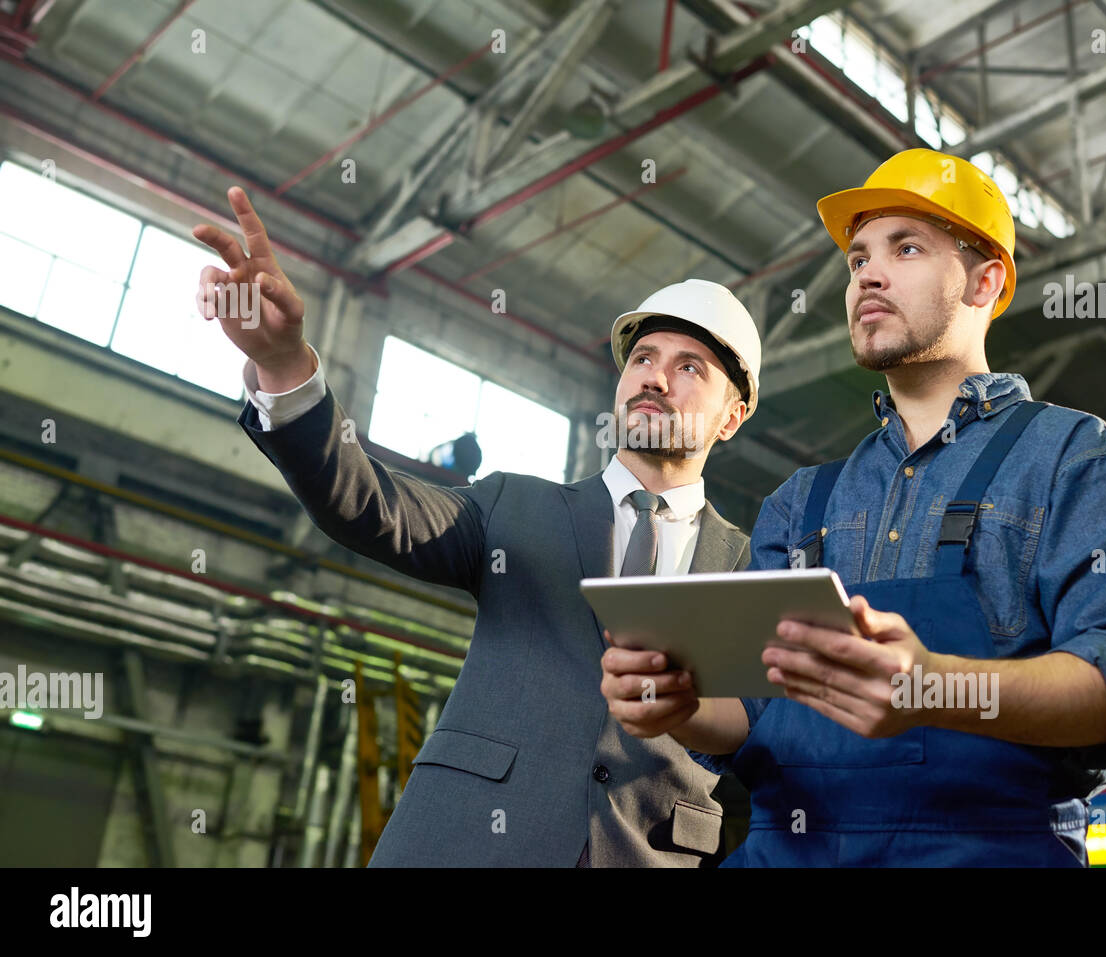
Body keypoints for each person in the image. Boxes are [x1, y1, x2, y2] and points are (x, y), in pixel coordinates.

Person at [600, 148, 1106, 867]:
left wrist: (933, 685)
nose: (867, 275)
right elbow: (751, 715)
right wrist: (682, 707)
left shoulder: (1073, 458)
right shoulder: (802, 503)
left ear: (986, 279)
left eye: (905, 247)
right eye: (856, 259)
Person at [191, 186, 762, 866]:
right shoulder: (512, 507)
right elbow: (371, 505)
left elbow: (770, 732)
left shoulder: (756, 565)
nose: (655, 379)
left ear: (731, 416)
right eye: (643, 357)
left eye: (688, 367)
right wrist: (285, 365)